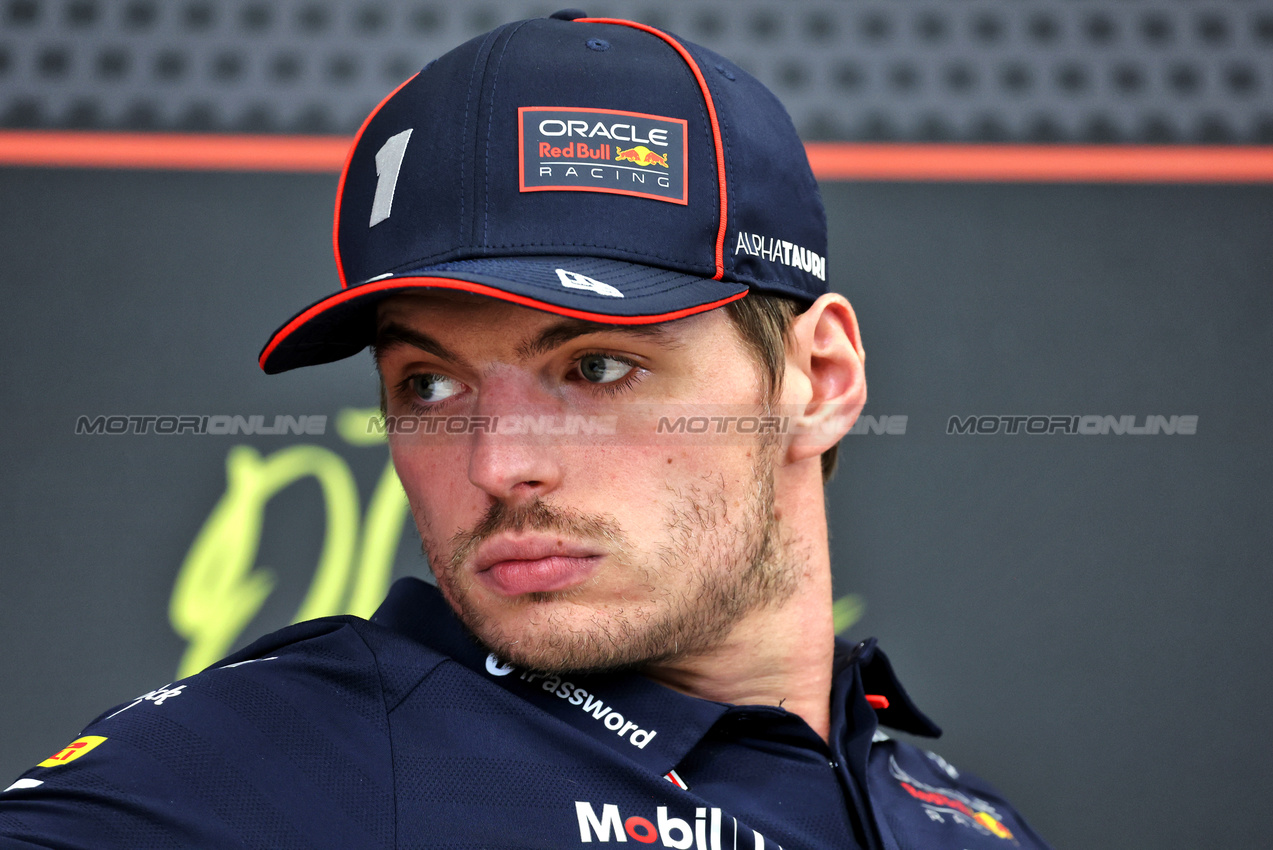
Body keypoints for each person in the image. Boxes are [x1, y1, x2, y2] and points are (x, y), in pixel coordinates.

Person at [0, 12, 1051, 849]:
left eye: (596, 367)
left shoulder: (963, 819)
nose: (498, 464)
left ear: (817, 381)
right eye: (427, 385)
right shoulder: (294, 753)